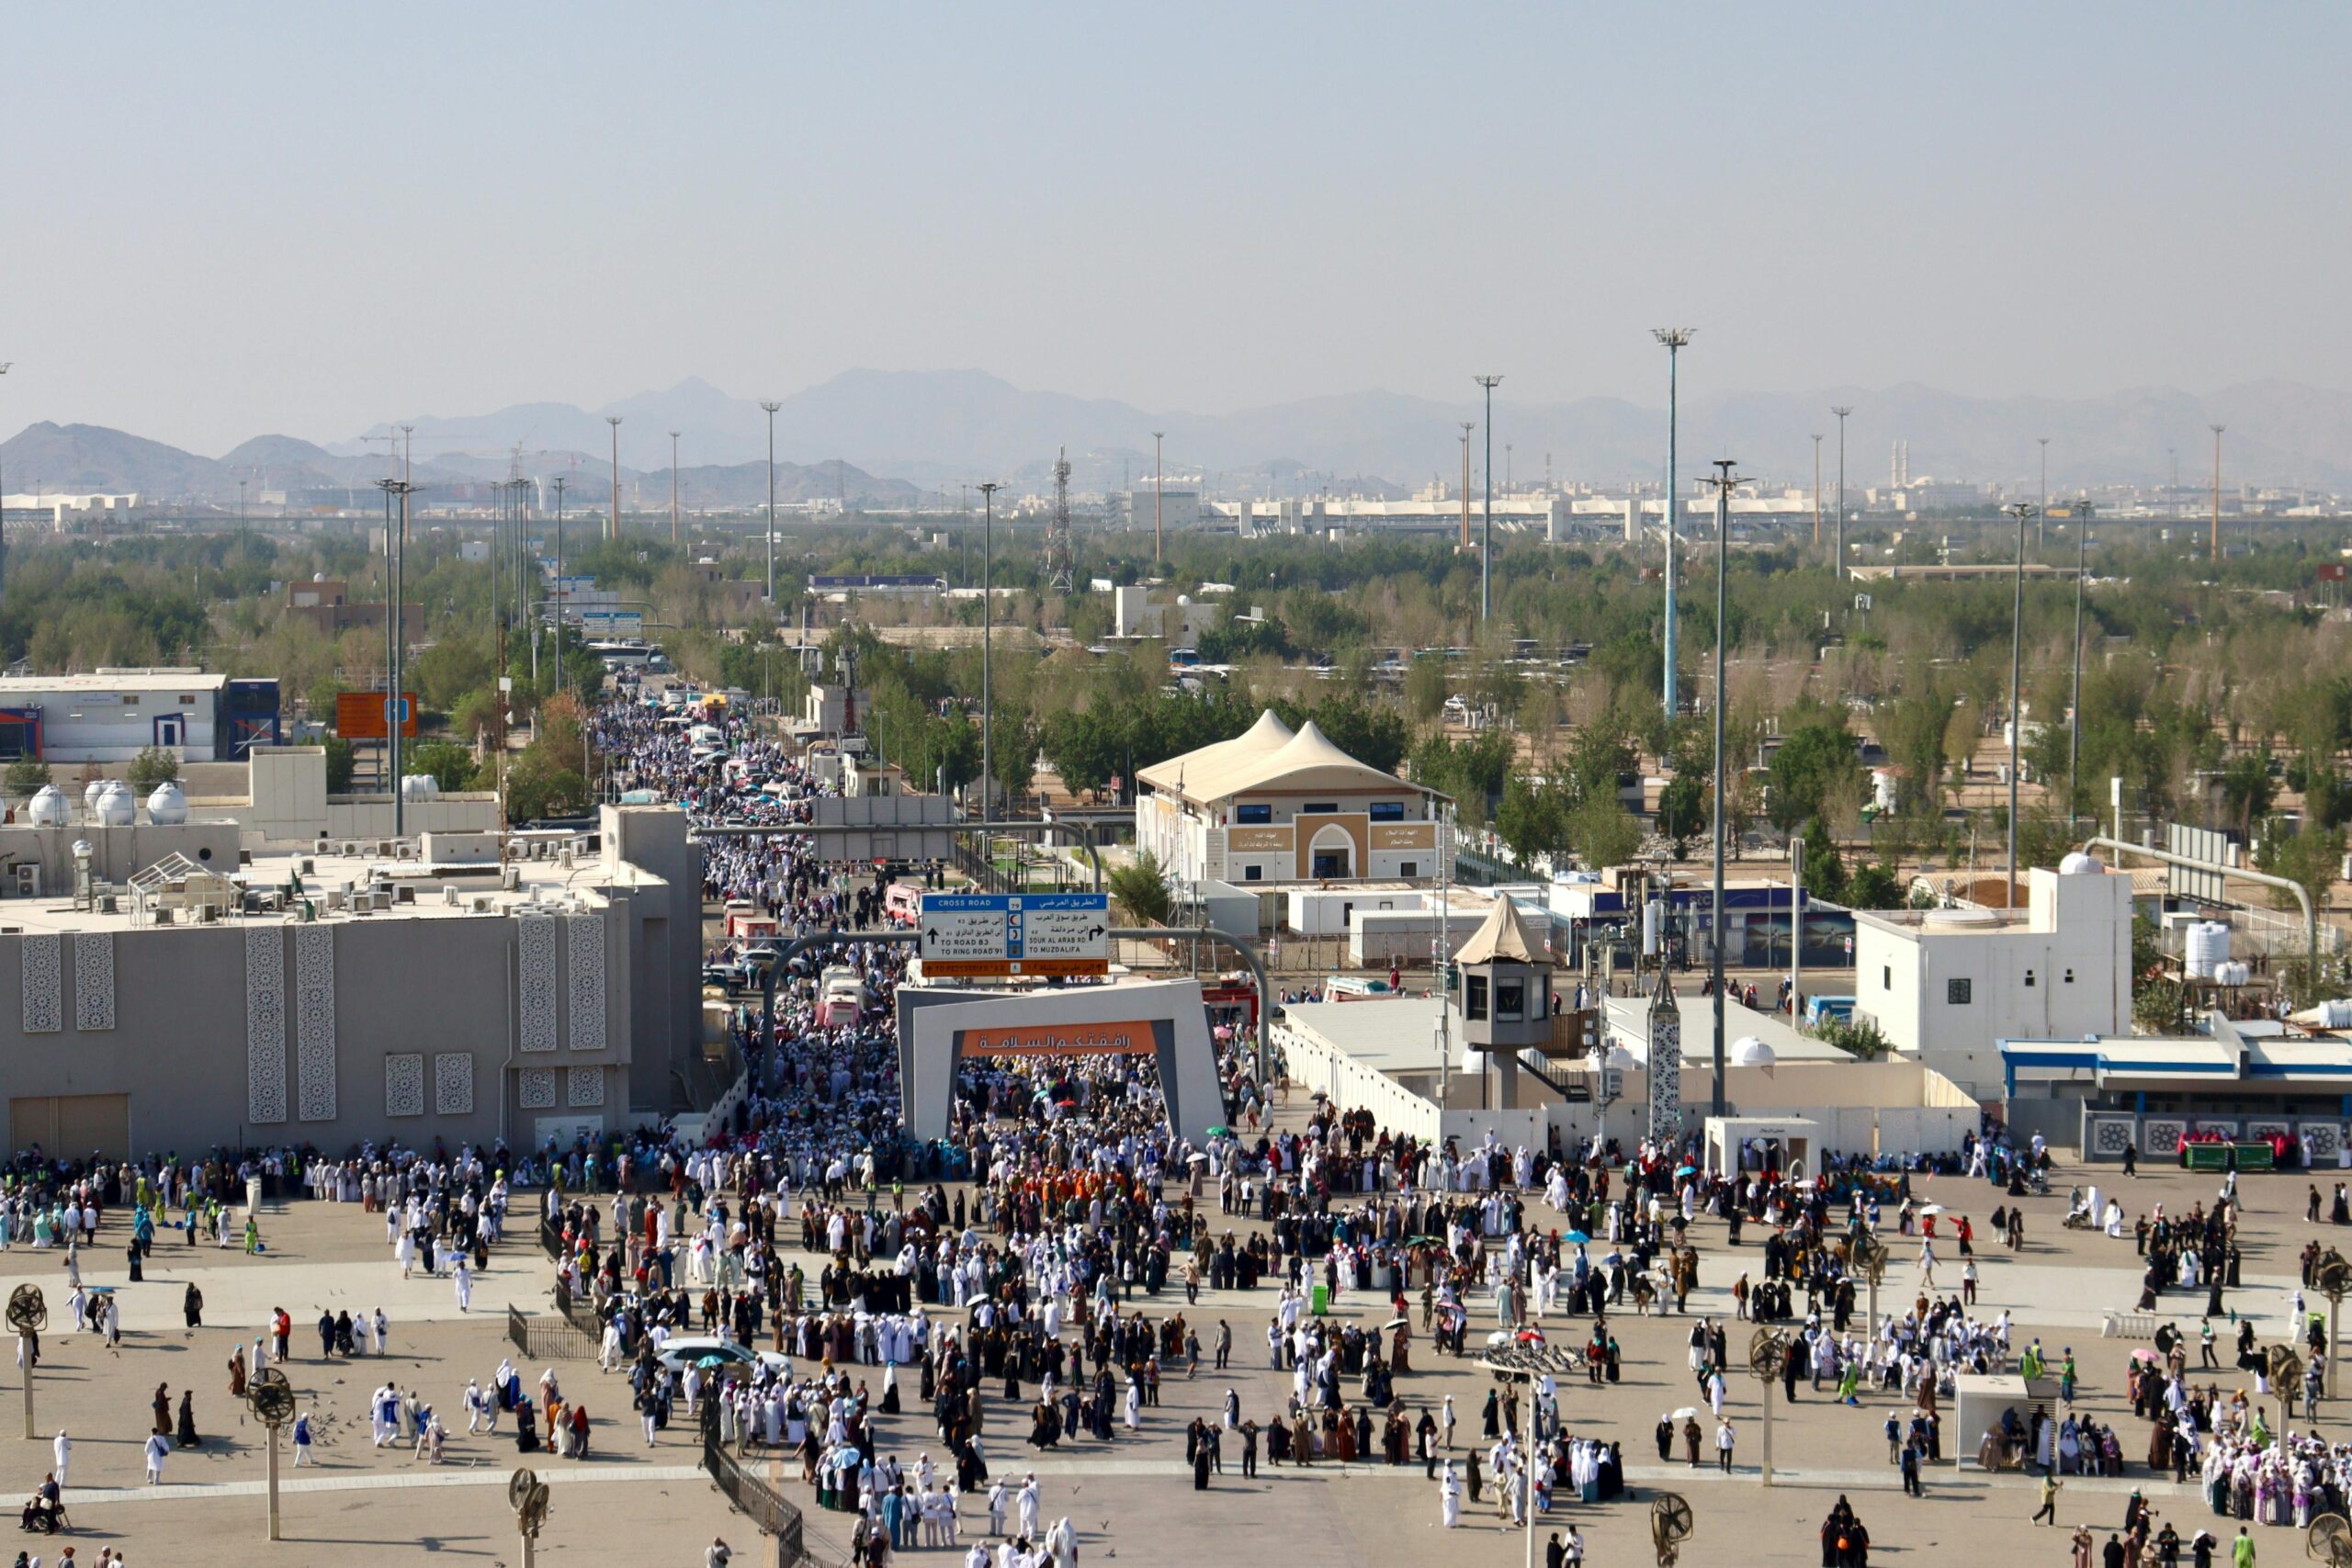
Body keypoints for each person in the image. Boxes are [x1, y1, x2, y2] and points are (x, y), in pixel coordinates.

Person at [1440, 1459, 1462, 1528]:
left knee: (1452, 1510)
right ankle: (1451, 1524)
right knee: (1450, 1511)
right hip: (1450, 1496)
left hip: (1450, 1496)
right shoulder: (1448, 1474)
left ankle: (1452, 1523)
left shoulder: (1448, 1470)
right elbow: (1448, 1482)